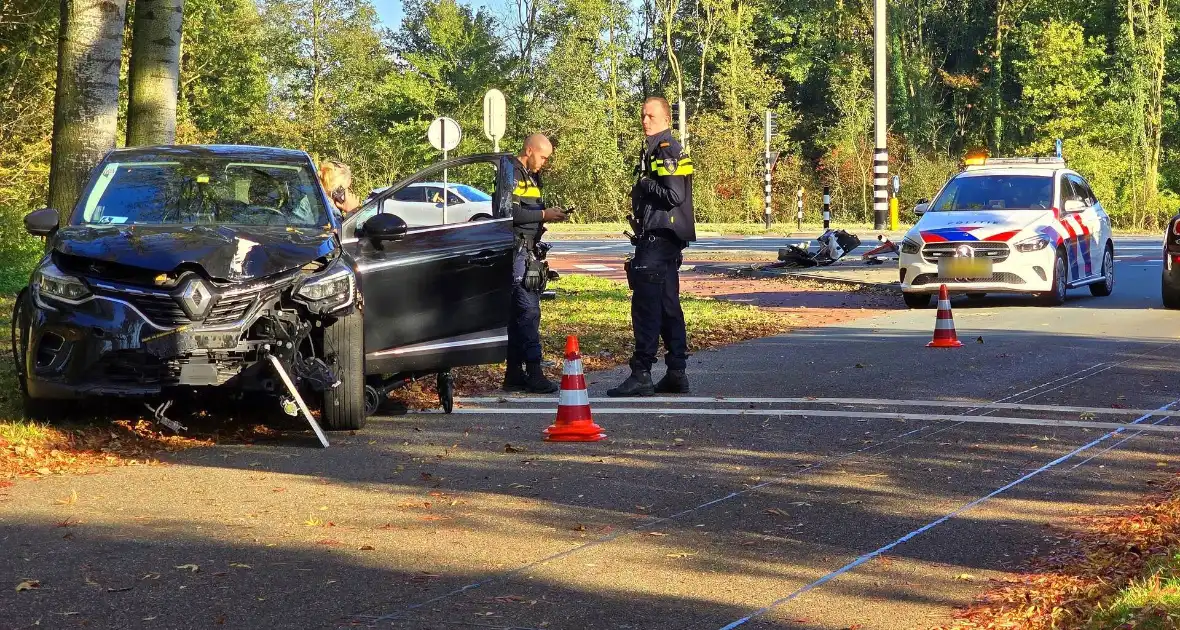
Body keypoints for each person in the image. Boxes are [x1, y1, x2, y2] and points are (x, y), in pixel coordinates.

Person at [607, 96, 697, 397]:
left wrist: (644, 185)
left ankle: (641, 373)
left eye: (651, 116)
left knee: (645, 305)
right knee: (668, 304)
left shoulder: (665, 149)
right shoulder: (660, 149)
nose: (645, 121)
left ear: (665, 119)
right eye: (643, 115)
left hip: (659, 237)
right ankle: (676, 373)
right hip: (666, 237)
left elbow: (674, 195)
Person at [503, 133, 568, 393]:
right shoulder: (511, 173)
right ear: (529, 150)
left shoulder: (531, 176)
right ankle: (534, 373)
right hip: (517, 253)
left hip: (528, 251)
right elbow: (510, 211)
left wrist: (545, 218)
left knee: (518, 315)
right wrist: (544, 214)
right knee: (529, 312)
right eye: (542, 157)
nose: (544, 162)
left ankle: (513, 374)